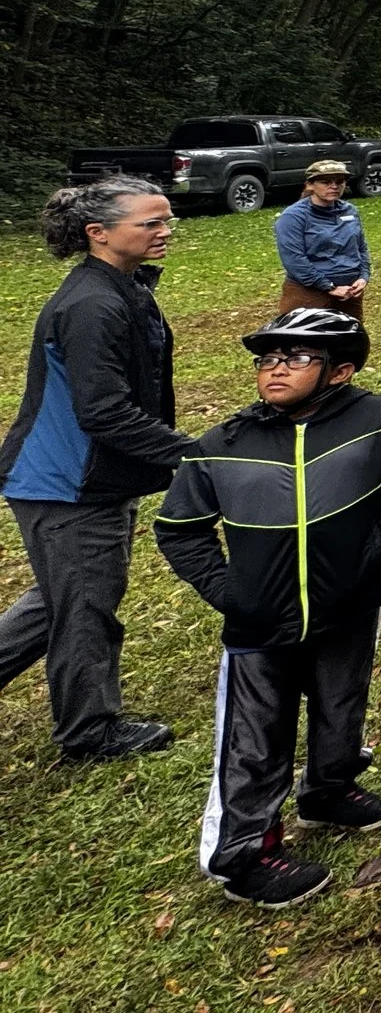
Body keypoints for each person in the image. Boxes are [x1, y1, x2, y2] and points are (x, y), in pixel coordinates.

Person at [153, 309, 381, 907]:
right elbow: (180, 528)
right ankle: (245, 856)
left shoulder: (379, 421)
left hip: (350, 607)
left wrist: (373, 553)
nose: (275, 369)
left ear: (340, 371)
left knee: (342, 704)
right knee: (255, 740)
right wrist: (230, 593)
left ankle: (329, 791)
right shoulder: (224, 446)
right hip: (261, 626)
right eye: (267, 358)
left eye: (296, 358)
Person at [0, 176, 195, 761]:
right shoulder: (93, 303)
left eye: (167, 221)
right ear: (99, 233)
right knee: (85, 608)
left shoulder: (122, 286)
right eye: (151, 223)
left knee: (58, 599)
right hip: (68, 485)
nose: (165, 232)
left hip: (82, 479)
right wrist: (194, 455)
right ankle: (89, 731)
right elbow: (104, 413)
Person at [273, 161, 371, 317]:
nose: (334, 186)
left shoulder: (350, 210)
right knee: (307, 339)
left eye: (340, 182)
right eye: (325, 182)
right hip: (309, 292)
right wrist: (329, 287)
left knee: (348, 337)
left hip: (350, 290)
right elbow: (294, 259)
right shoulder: (293, 217)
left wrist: (363, 276)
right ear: (310, 185)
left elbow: (361, 247)